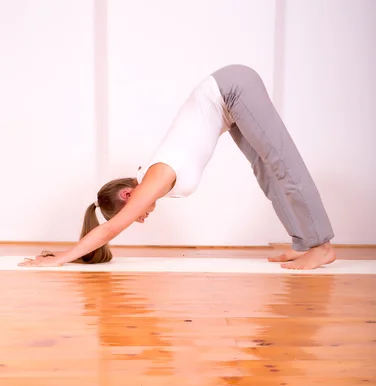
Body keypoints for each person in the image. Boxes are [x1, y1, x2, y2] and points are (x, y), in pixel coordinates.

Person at [19, 65, 335, 270]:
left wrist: (59, 259)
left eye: (134, 213)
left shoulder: (154, 178)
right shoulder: (149, 176)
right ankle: (303, 242)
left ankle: (321, 246)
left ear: (128, 195)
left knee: (283, 163)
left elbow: (110, 229)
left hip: (232, 89)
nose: (139, 219)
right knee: (266, 173)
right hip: (227, 102)